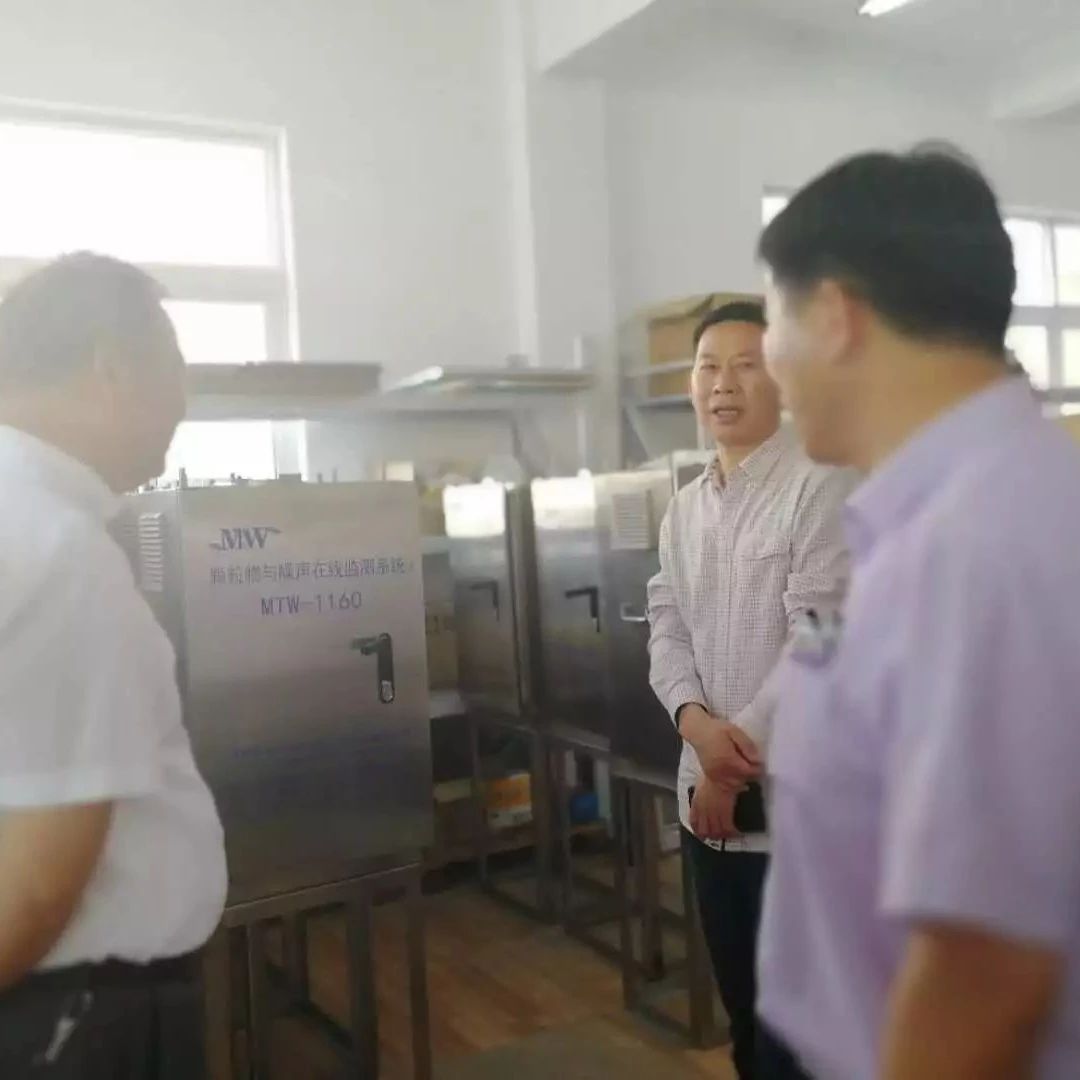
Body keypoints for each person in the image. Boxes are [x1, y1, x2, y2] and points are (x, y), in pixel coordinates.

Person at [756, 147, 1080, 1079]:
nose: (771, 363)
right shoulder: (977, 508)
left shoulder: (976, 546)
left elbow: (985, 966)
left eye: (773, 320)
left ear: (834, 317)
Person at [0, 253, 227, 1077]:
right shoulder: (56, 548)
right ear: (111, 366)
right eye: (176, 368)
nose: (183, 402)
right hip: (79, 1018)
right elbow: (34, 887)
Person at [646, 300, 851, 1080]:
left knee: (802, 1037)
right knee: (744, 1018)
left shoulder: (823, 484)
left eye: (745, 365)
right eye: (708, 367)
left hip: (796, 819)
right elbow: (667, 623)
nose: (722, 384)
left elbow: (823, 636)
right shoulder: (684, 508)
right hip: (706, 810)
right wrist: (694, 725)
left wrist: (732, 761)